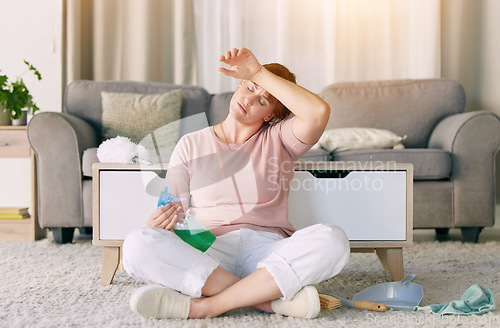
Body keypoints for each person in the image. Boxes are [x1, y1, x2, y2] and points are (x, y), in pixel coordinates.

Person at [122, 47, 349, 319]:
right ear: (239, 84)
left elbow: (318, 112)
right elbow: (176, 213)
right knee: (137, 243)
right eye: (251, 87)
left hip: (268, 252)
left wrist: (259, 73)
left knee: (333, 240)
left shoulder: (280, 138)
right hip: (209, 250)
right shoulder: (191, 143)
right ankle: (266, 300)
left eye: (264, 100)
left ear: (270, 116)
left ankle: (207, 305)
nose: (251, 99)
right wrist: (159, 224)